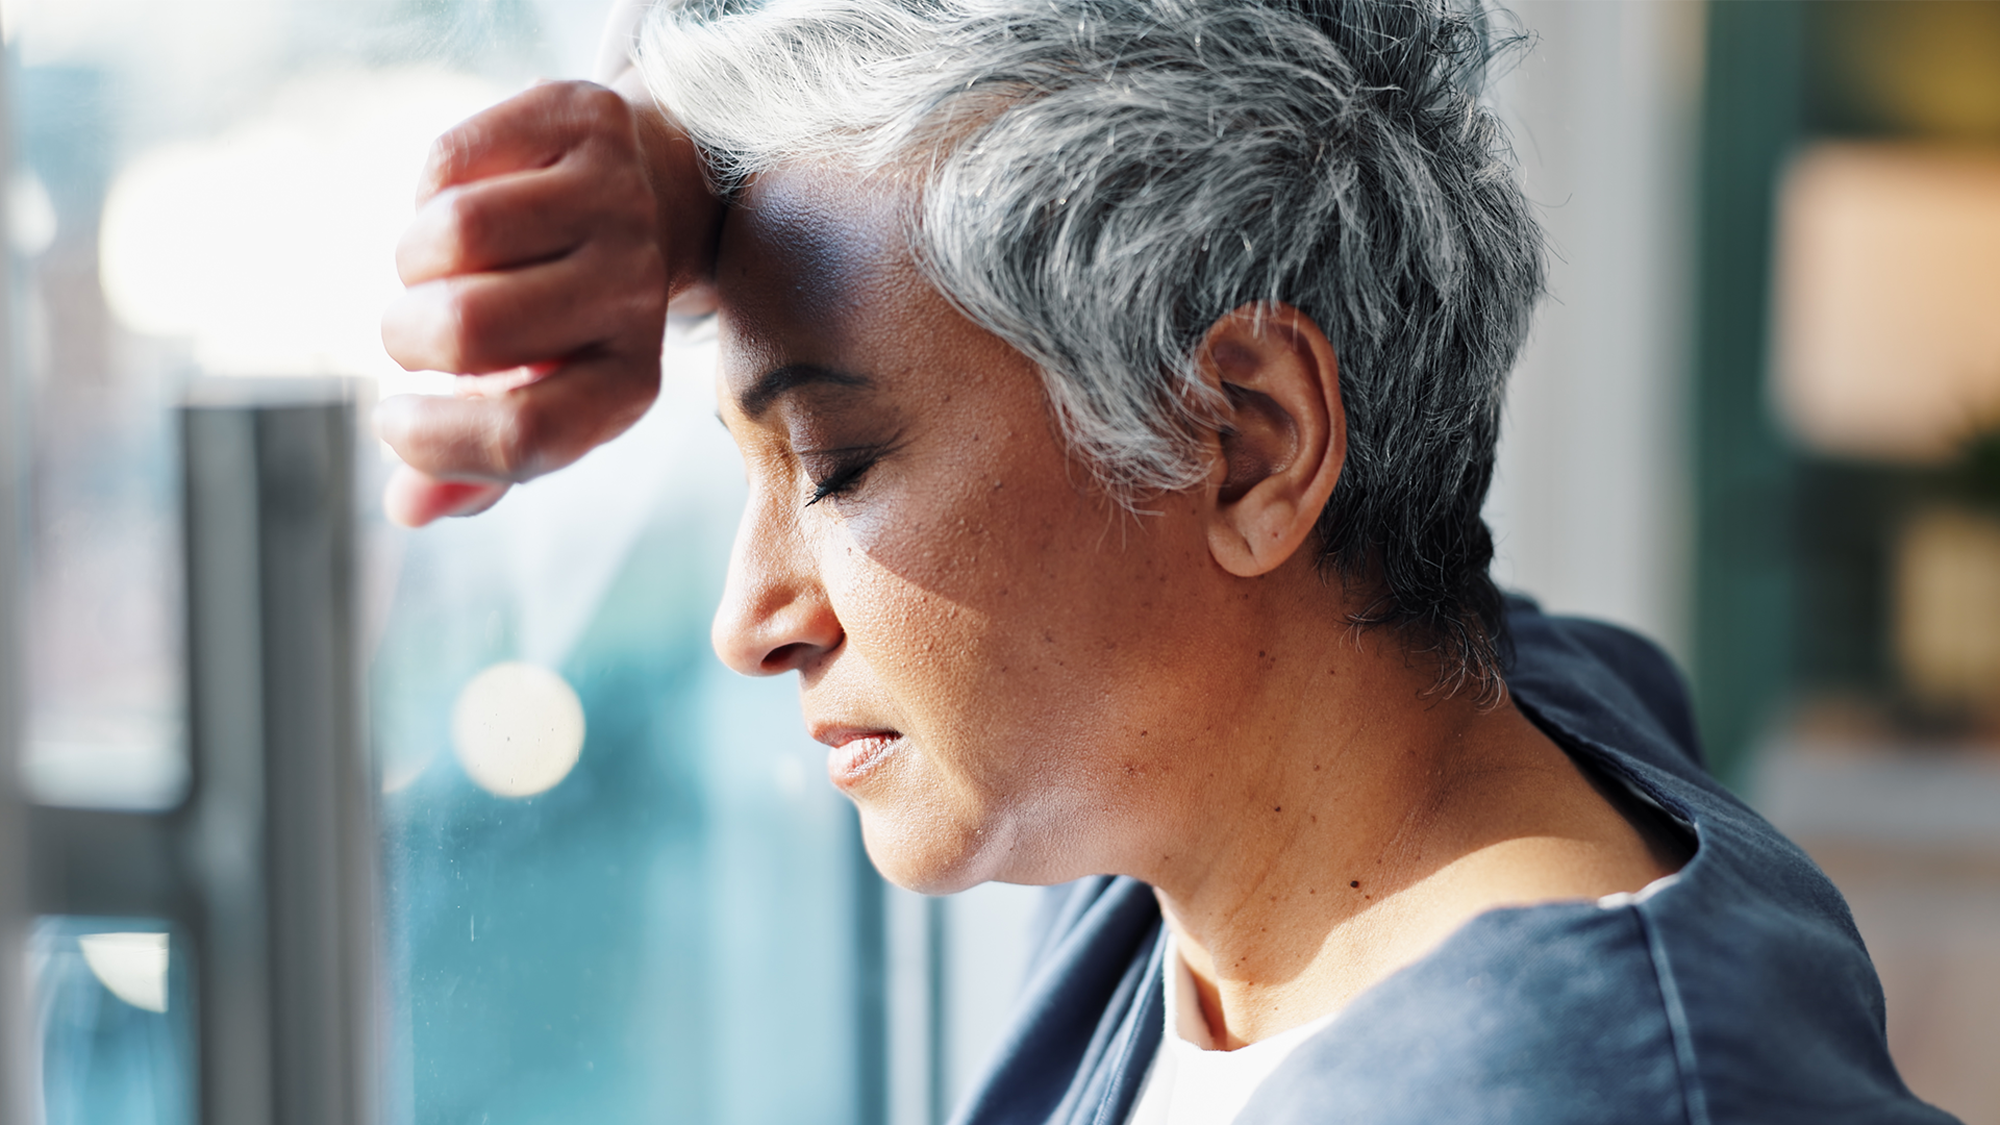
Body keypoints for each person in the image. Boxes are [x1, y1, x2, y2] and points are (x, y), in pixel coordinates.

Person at [380, 1, 1959, 1121]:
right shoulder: (1433, 741)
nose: (751, 620)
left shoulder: (1578, 1088)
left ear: (1251, 442)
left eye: (841, 466)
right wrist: (670, 161)